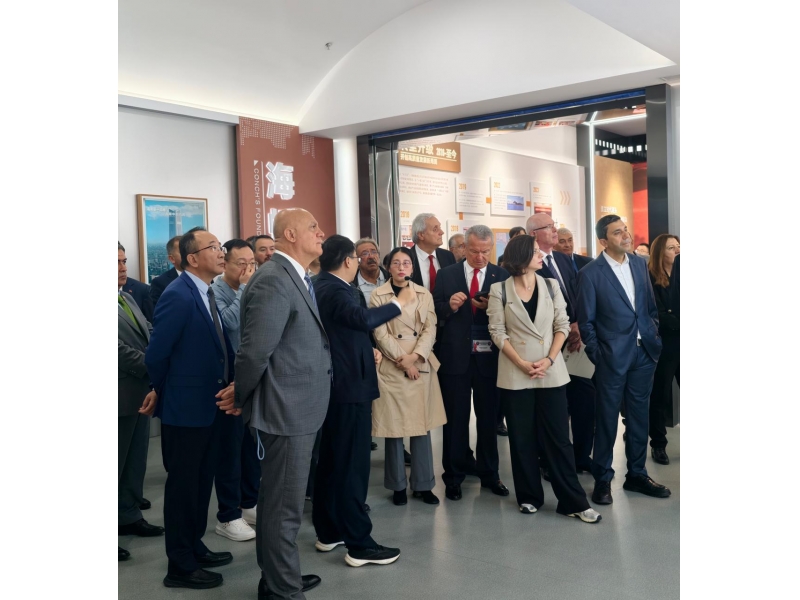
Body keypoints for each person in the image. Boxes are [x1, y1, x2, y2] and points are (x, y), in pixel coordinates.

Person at [231, 208, 330, 600]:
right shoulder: (274, 279)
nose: (321, 233)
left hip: (299, 407)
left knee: (280, 503)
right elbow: (254, 352)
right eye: (313, 227)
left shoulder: (296, 276)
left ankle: (277, 577)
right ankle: (283, 590)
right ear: (290, 234)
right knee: (283, 508)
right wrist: (242, 397)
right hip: (286, 410)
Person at [144, 227, 237, 590]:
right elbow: (157, 353)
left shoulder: (206, 291)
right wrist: (162, 390)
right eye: (213, 247)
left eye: (220, 245)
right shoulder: (178, 294)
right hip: (185, 409)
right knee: (184, 486)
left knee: (201, 482)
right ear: (193, 258)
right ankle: (179, 564)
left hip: (210, 405)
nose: (221, 252)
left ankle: (193, 545)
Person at [312, 235, 411, 568]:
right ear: (347, 260)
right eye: (356, 256)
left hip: (340, 384)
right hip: (348, 387)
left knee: (332, 460)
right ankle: (359, 544)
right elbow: (362, 320)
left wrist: (363, 348)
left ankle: (329, 531)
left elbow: (344, 331)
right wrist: (399, 302)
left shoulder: (322, 285)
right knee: (352, 466)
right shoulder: (335, 289)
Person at [486, 235, 600, 523]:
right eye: (536, 252)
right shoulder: (499, 289)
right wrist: (522, 363)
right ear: (522, 256)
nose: (542, 255)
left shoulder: (550, 285)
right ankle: (529, 497)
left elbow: (562, 324)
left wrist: (549, 359)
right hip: (516, 371)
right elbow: (497, 332)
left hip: (551, 370)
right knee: (521, 438)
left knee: (559, 438)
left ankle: (573, 501)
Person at [576, 215, 669, 505]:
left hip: (644, 353)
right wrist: (600, 355)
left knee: (639, 417)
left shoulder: (640, 264)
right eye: (617, 232)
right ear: (603, 241)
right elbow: (586, 322)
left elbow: (649, 308)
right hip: (611, 358)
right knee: (606, 419)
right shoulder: (590, 274)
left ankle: (637, 475)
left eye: (625, 229)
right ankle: (602, 478)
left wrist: (652, 335)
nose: (626, 235)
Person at [432, 225, 510, 501]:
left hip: (490, 359)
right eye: (475, 251)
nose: (480, 257)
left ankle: (490, 474)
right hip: (455, 357)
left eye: (486, 252)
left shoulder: (501, 275)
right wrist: (450, 307)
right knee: (455, 420)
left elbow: (512, 316)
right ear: (464, 248)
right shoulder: (447, 274)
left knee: (489, 420)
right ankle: (453, 477)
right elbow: (434, 311)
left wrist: (492, 308)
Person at [370, 247, 447, 507]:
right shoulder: (378, 295)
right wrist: (404, 362)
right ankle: (398, 486)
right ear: (388, 267)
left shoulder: (424, 293)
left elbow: (430, 329)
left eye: (406, 263)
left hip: (420, 363)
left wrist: (415, 357)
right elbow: (380, 333)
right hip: (393, 366)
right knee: (394, 430)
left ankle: (424, 485)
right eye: (396, 263)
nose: (401, 267)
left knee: (421, 428)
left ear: (412, 268)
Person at [528, 213, 596, 475]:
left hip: (577, 343)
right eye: (549, 227)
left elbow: (576, 295)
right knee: (552, 408)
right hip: (548, 345)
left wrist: (578, 324)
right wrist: (565, 328)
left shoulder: (564, 259)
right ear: (534, 234)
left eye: (554, 225)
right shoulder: (528, 263)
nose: (555, 230)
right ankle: (549, 460)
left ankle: (581, 457)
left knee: (585, 402)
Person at [209, 239, 259, 541]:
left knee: (250, 448)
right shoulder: (214, 291)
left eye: (251, 263)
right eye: (241, 263)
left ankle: (248, 503)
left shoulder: (250, 286)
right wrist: (243, 289)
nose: (247, 269)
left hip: (249, 377)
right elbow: (227, 324)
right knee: (229, 450)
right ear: (225, 263)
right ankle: (228, 515)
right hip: (226, 380)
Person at [118, 243, 162, 562]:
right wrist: (154, 363)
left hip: (138, 393)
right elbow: (116, 350)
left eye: (123, 261)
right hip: (118, 393)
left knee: (134, 462)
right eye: (115, 262)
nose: (123, 267)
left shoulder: (128, 297)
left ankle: (128, 516)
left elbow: (149, 331)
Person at [647, 234, 680, 465]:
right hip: (664, 344)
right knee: (660, 395)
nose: (677, 251)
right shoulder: (650, 277)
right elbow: (655, 313)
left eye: (679, 246)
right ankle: (658, 444)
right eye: (671, 248)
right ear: (660, 252)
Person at [408, 213, 456, 291]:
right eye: (435, 229)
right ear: (421, 235)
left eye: (440, 228)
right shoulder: (406, 258)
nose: (442, 232)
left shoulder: (448, 256)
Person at [352, 238, 389, 304]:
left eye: (374, 252)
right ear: (357, 260)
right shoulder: (351, 285)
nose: (371, 256)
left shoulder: (391, 278)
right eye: (365, 253)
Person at [149, 235, 182, 306]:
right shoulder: (160, 283)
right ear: (172, 259)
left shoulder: (202, 277)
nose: (188, 254)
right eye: (183, 251)